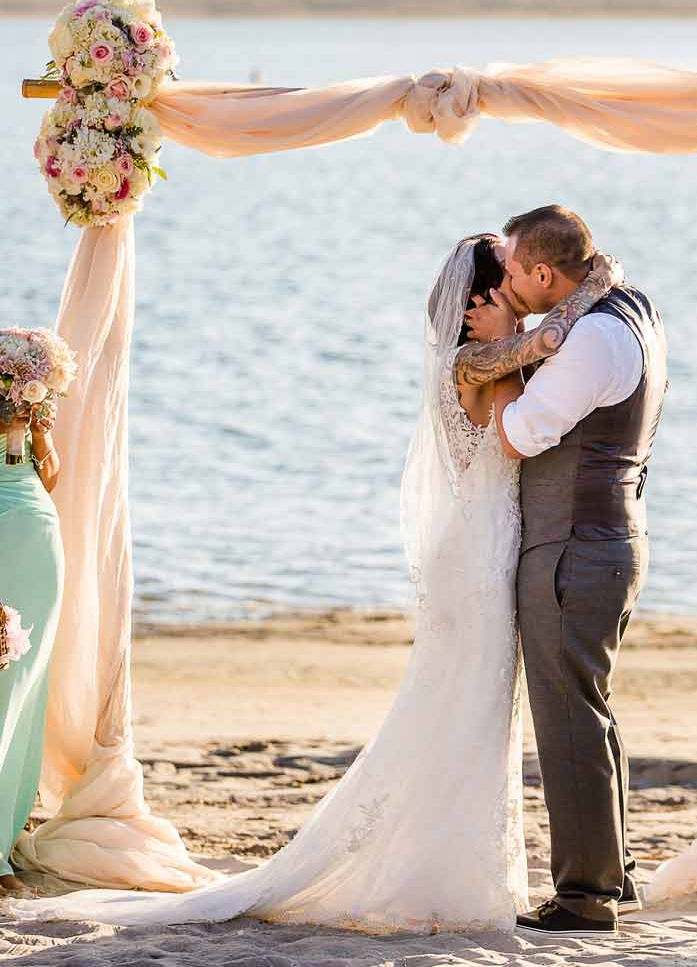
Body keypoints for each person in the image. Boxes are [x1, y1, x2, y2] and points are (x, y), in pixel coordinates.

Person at [9, 232, 622, 932]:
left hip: (484, 544)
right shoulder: (475, 359)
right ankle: (444, 877)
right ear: (482, 297)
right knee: (467, 707)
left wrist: (551, 310)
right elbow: (513, 407)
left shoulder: (490, 349)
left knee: (474, 709)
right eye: (506, 276)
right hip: (479, 555)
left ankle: (457, 865)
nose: (517, 282)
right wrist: (575, 298)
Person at [464, 205, 667, 939]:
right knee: (590, 708)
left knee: (569, 719)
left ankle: (585, 897)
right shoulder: (631, 308)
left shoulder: (591, 341)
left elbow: (517, 436)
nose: (510, 280)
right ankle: (616, 876)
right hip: (609, 537)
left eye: (516, 270)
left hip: (574, 547)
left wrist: (506, 350)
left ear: (545, 273)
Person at [0, 399, 64, 895]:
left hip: (38, 539)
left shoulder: (24, 391)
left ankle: (3, 838)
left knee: (23, 691)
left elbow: (49, 479)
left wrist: (38, 433)